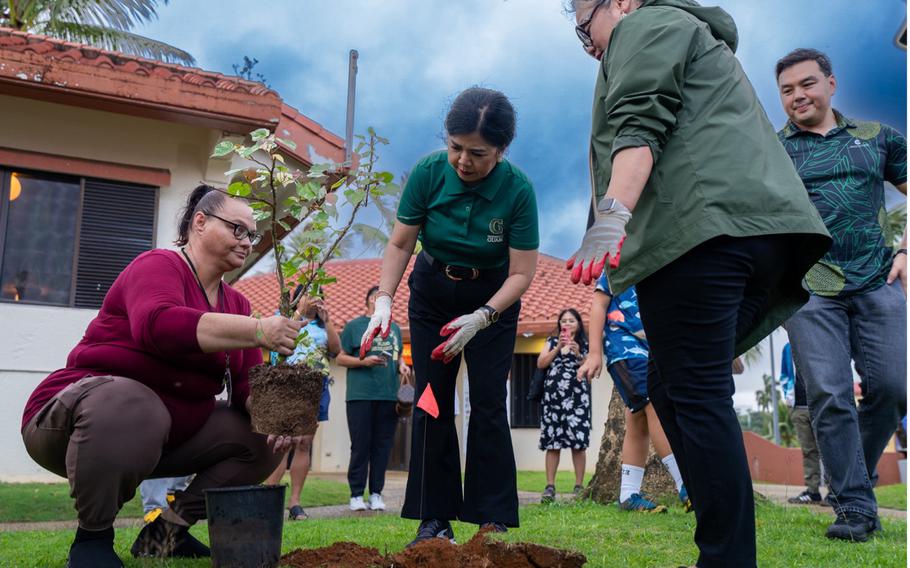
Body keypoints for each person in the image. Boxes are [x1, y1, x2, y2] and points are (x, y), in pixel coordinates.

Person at [565, 1, 831, 566]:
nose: (584, 40)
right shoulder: (692, 36)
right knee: (669, 386)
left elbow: (639, 122)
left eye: (584, 23)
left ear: (619, 2)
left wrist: (611, 219)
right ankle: (723, 543)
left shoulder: (647, 24)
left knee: (697, 394)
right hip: (756, 238)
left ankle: (726, 557)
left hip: (702, 235)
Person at [20, 185, 306, 568]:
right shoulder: (157, 266)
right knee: (134, 402)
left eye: (251, 235)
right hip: (77, 422)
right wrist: (257, 330)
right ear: (200, 223)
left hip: (168, 436)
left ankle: (166, 532)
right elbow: (158, 325)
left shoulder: (236, 304)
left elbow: (244, 387)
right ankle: (93, 538)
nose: (247, 242)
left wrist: (279, 417)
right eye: (237, 229)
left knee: (263, 438)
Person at [359, 87, 539, 547]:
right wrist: (384, 301)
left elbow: (521, 273)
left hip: (492, 299)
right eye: (455, 146)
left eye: (477, 153)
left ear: (500, 150)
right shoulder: (428, 173)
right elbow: (400, 244)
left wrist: (482, 317)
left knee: (488, 402)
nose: (463, 160)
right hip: (433, 293)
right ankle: (433, 518)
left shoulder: (517, 191)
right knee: (431, 400)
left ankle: (491, 517)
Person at [775, 48, 907, 541]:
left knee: (893, 389)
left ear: (831, 84)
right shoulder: (775, 151)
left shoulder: (877, 138)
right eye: (787, 90)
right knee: (830, 394)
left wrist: (906, 250)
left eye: (807, 84)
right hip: (810, 290)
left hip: (879, 279)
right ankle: (854, 506)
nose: (798, 96)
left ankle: (853, 475)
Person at [578, 282, 688, 512]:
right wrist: (595, 352)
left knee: (637, 417)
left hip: (652, 349)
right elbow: (599, 304)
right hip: (625, 347)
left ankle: (628, 495)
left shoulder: (661, 261)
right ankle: (687, 486)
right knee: (653, 405)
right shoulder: (618, 259)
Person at [264, 296, 340, 520]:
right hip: (287, 382)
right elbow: (277, 344)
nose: (315, 303)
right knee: (282, 441)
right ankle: (269, 497)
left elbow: (336, 350)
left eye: (319, 299)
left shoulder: (322, 325)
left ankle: (295, 503)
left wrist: (328, 321)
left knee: (304, 443)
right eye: (311, 297)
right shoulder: (283, 318)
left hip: (316, 385)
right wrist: (298, 313)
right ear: (300, 298)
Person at [337, 286, 412, 512]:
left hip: (389, 396)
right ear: (370, 300)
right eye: (379, 297)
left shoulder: (395, 329)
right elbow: (340, 358)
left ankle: (376, 494)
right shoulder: (354, 326)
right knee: (360, 446)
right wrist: (364, 362)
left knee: (383, 447)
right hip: (360, 395)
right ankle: (356, 495)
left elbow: (397, 356)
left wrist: (402, 366)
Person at [536, 308, 591, 502]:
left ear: (578, 324)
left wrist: (578, 354)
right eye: (564, 321)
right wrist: (558, 348)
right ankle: (549, 486)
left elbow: (591, 373)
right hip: (553, 401)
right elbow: (541, 363)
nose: (567, 324)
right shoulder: (551, 342)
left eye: (571, 320)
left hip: (577, 400)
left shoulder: (585, 344)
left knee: (578, 443)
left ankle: (578, 486)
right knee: (553, 443)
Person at [779, 342, 825, 505]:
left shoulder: (817, 340)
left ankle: (836, 492)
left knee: (829, 448)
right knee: (808, 450)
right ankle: (813, 492)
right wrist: (787, 395)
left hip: (820, 404)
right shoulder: (787, 348)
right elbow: (784, 373)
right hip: (798, 406)